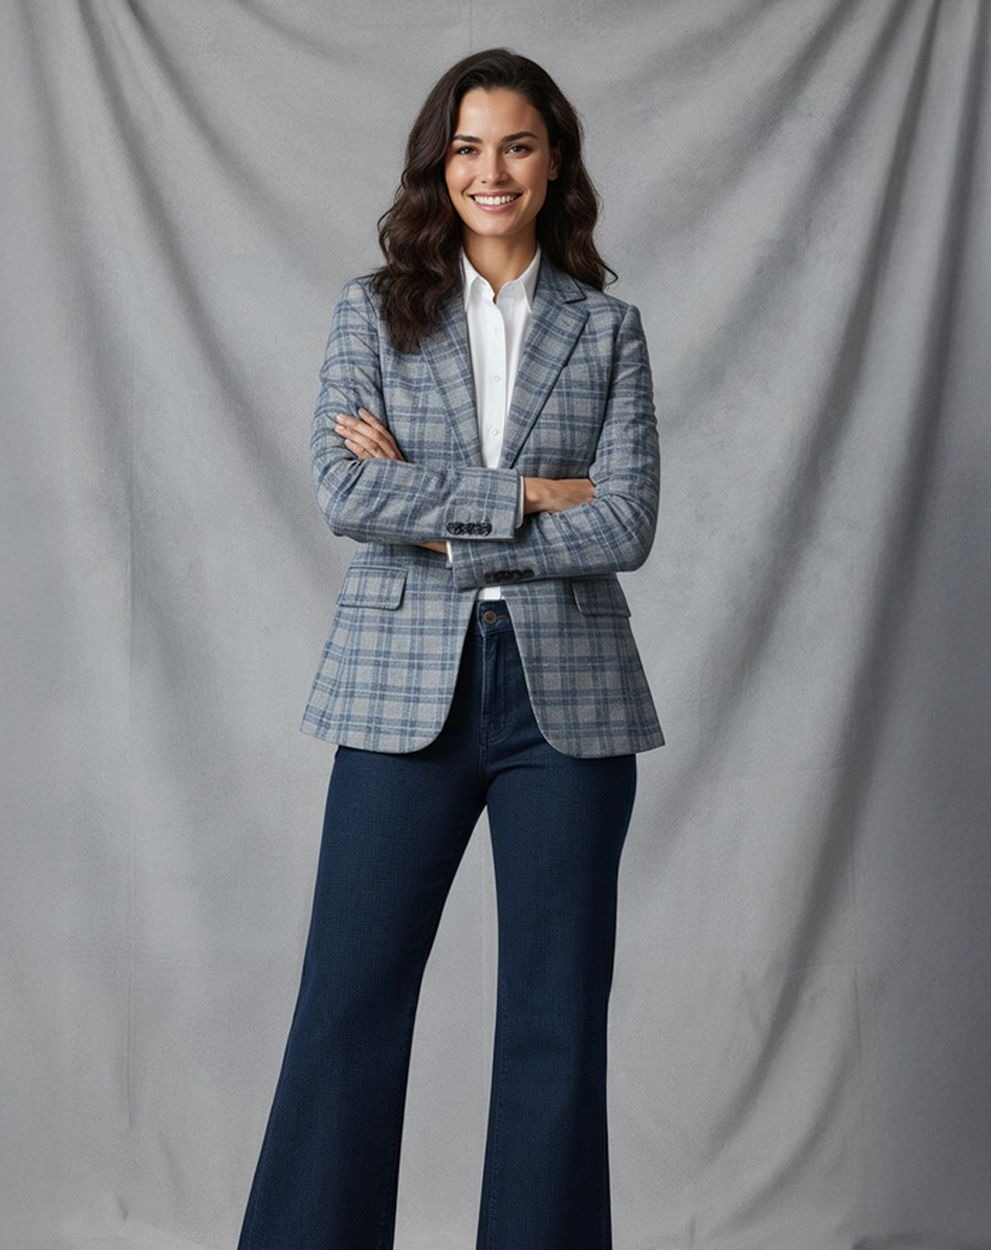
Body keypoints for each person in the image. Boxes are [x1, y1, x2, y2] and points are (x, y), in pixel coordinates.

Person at [237, 47, 664, 1250]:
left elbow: (625, 521)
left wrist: (433, 509)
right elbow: (342, 491)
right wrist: (527, 495)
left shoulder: (608, 330)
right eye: (469, 147)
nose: (493, 170)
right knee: (347, 1004)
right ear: (440, 163)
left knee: (555, 1018)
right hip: (398, 690)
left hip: (567, 699)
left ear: (553, 162)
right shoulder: (370, 312)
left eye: (518, 145)